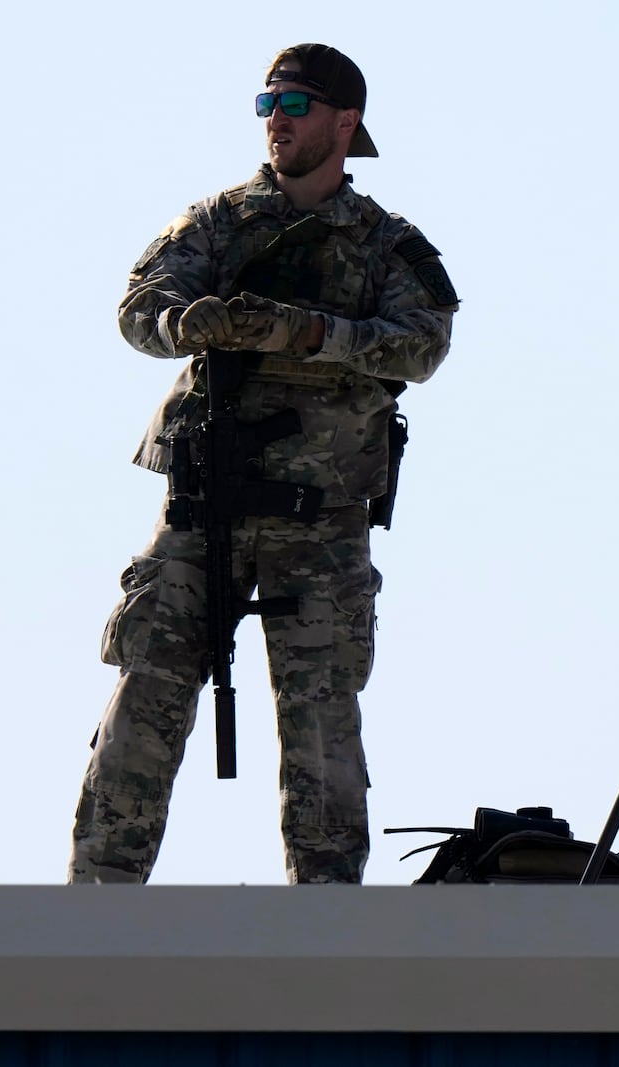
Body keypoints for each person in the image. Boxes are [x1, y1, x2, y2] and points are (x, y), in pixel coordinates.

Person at [69, 44, 458, 884]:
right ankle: (97, 903)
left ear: (344, 123)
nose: (275, 121)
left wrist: (310, 334)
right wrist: (194, 325)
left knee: (321, 715)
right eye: (267, 105)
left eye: (294, 106)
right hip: (205, 500)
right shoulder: (217, 223)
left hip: (319, 515)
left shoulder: (386, 244)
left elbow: (422, 346)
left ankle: (325, 912)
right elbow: (141, 309)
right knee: (147, 692)